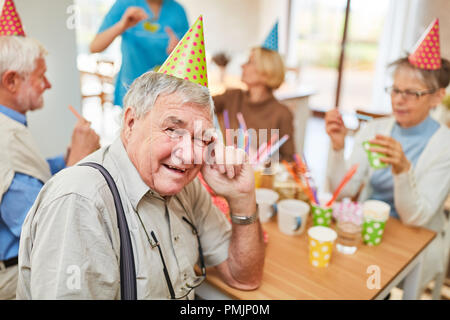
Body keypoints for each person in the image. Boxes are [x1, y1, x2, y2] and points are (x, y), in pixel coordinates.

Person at [16, 71, 265, 299]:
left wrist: (242, 199)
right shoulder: (81, 201)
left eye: (201, 137)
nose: (189, 155)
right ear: (131, 123)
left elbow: (243, 278)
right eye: (173, 129)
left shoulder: (185, 185)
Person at [325, 56, 450, 290]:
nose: (399, 100)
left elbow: (415, 219)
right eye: (395, 90)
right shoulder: (375, 129)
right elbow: (344, 191)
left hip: (416, 242)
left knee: (362, 283)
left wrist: (403, 170)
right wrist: (337, 148)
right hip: (368, 233)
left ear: (437, 96)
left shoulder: (445, 146)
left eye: (412, 93)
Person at [0, 36, 100, 300]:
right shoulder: (4, 138)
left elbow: (30, 173)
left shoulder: (11, 126)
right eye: (40, 76)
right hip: (11, 278)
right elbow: (44, 226)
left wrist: (66, 157)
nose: (48, 84)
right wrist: (77, 161)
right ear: (11, 81)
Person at [90, 0, 189, 107]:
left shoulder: (178, 11)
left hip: (167, 93)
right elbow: (95, 47)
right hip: (131, 90)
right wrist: (122, 25)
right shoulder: (124, 4)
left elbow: (189, 59)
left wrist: (180, 51)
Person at [212, 47, 295, 162]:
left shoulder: (282, 113)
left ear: (267, 71)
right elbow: (199, 103)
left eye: (250, 62)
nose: (242, 66)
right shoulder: (231, 97)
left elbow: (289, 159)